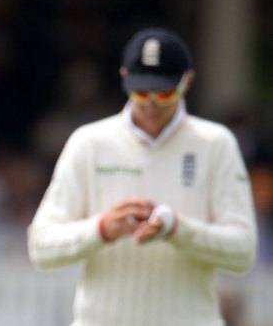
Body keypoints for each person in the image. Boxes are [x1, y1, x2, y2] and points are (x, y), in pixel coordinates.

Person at [27, 27, 257, 326]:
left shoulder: (215, 144)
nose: (150, 104)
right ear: (124, 78)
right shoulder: (89, 143)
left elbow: (242, 252)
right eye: (140, 91)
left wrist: (177, 230)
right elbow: (41, 247)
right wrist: (103, 229)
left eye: (163, 93)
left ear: (187, 81)